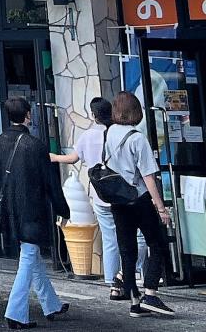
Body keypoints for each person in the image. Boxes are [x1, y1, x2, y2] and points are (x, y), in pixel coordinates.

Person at [0, 96, 70, 329]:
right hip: (31, 208)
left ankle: (51, 304)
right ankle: (15, 312)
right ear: (27, 115)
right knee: (28, 257)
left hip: (9, 208)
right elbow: (50, 183)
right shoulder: (35, 145)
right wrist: (62, 209)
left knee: (31, 255)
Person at [104, 92, 175, 318]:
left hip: (118, 199)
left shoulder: (110, 132)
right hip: (139, 198)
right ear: (137, 112)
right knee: (158, 243)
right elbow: (148, 176)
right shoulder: (137, 137)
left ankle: (134, 300)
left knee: (127, 248)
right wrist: (161, 208)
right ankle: (151, 293)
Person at [51, 97, 123, 300]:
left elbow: (73, 158)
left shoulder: (88, 135)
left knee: (110, 239)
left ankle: (111, 279)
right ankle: (132, 274)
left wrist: (54, 157)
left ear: (93, 115)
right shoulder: (117, 133)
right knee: (130, 235)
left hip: (101, 195)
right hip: (123, 193)